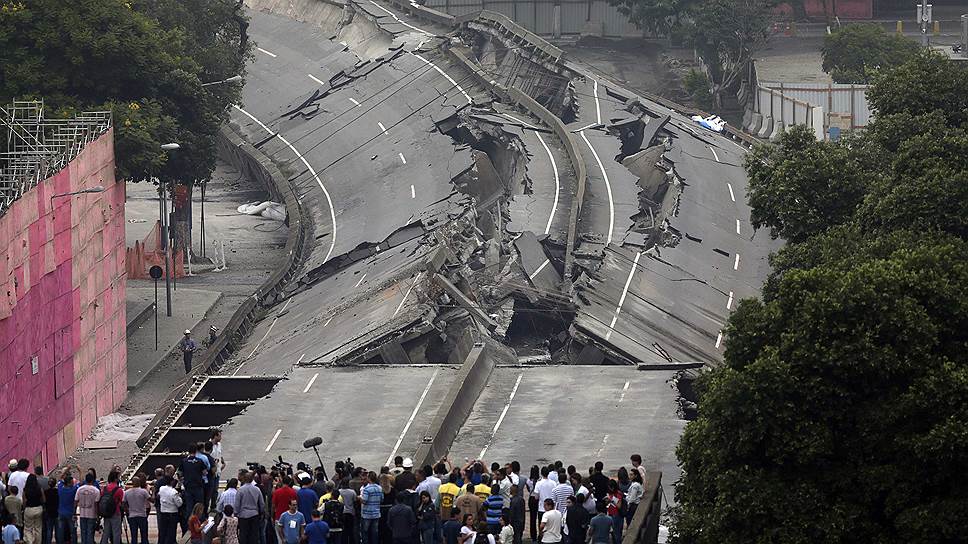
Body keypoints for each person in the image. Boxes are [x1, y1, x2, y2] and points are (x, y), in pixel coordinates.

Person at [234, 472, 266, 544]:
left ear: (244, 479)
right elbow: (262, 503)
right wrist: (261, 513)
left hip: (243, 515)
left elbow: (237, 504)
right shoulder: (257, 489)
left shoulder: (240, 490)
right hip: (254, 514)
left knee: (243, 535)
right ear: (252, 479)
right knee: (254, 535)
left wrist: (236, 513)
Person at [97, 471, 124, 544]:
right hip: (115, 512)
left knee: (106, 531)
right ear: (115, 479)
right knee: (116, 532)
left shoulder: (105, 488)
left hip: (106, 512)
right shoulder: (119, 490)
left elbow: (101, 498)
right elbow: (122, 502)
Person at [124, 476, 151, 544]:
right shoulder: (143, 491)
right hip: (142, 515)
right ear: (139, 482)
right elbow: (151, 500)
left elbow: (124, 503)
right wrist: (153, 492)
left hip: (132, 515)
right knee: (144, 535)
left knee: (134, 536)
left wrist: (128, 511)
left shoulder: (127, 492)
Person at [359, 472, 383, 544]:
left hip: (367, 514)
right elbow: (382, 499)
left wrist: (359, 498)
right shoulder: (379, 488)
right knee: (374, 533)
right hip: (376, 513)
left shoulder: (367, 489)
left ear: (369, 478)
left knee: (365, 533)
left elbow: (364, 501)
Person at [158, 477, 183, 544]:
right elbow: (179, 504)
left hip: (163, 513)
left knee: (163, 531)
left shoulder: (161, 488)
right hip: (172, 513)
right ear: (171, 482)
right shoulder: (174, 492)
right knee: (171, 532)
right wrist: (180, 497)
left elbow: (159, 495)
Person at [56, 474, 79, 544]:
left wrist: (65, 471)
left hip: (61, 513)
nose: (73, 483)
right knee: (73, 532)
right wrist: (80, 471)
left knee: (60, 531)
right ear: (69, 483)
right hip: (71, 513)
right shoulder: (73, 490)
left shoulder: (60, 488)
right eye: (72, 482)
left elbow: (59, 479)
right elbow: (81, 482)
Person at [21, 474, 43, 544]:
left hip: (29, 509)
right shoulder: (39, 488)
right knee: (38, 528)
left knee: (28, 528)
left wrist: (24, 509)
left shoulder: (25, 489)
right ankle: (38, 542)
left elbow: (24, 501)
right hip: (38, 508)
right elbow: (44, 499)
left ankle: (30, 542)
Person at [336, 480, 356, 544]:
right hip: (350, 512)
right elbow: (355, 501)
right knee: (350, 530)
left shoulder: (339, 491)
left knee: (343, 530)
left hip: (342, 513)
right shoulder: (352, 492)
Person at [41, 478, 57, 544]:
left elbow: (44, 501)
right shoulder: (57, 491)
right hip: (56, 512)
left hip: (48, 512)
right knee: (58, 530)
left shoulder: (45, 492)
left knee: (49, 530)